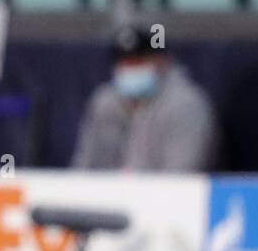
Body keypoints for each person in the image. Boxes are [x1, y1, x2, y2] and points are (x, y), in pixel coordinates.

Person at [71, 27, 219, 173]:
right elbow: (84, 169)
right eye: (124, 62)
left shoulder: (186, 104)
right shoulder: (105, 102)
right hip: (107, 195)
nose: (130, 68)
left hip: (163, 195)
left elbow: (182, 176)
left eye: (138, 61)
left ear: (162, 61)